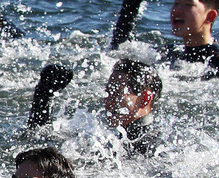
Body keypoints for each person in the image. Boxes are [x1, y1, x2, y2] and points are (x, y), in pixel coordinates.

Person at [26, 60, 162, 156]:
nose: (108, 101)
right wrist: (43, 96)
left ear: (145, 98)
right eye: (108, 93)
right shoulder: (112, 139)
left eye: (117, 93)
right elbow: (40, 139)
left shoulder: (150, 148)